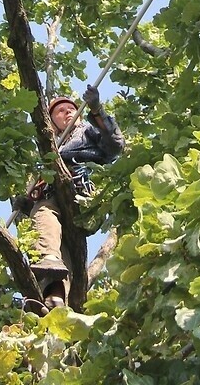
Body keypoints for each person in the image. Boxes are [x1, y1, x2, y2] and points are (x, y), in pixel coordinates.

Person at [20, 84, 125, 311]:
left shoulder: (87, 131)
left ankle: (47, 256)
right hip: (58, 199)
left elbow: (115, 145)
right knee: (57, 246)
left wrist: (97, 109)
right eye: (60, 111)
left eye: (71, 109)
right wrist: (25, 201)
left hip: (82, 192)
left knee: (43, 213)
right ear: (52, 122)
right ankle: (55, 299)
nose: (67, 112)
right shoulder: (51, 150)